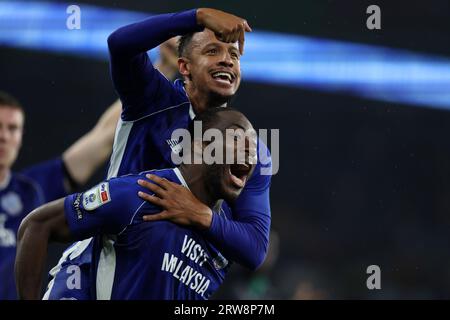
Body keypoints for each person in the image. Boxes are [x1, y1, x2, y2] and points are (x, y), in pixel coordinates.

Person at [44, 7, 272, 300]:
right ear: (185, 66)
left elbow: (255, 249)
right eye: (213, 50)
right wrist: (196, 17)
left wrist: (198, 213)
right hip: (101, 268)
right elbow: (120, 44)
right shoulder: (153, 99)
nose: (227, 59)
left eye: (234, 55)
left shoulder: (253, 151)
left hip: (170, 284)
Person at [16, 108, 257, 300]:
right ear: (199, 146)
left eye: (254, 145)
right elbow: (36, 225)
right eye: (237, 137)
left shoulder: (228, 236)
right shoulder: (144, 193)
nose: (251, 151)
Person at [0, 91, 121, 299]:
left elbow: (104, 136)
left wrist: (161, 67)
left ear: (21, 137)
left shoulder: (32, 190)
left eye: (13, 128)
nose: (3, 136)